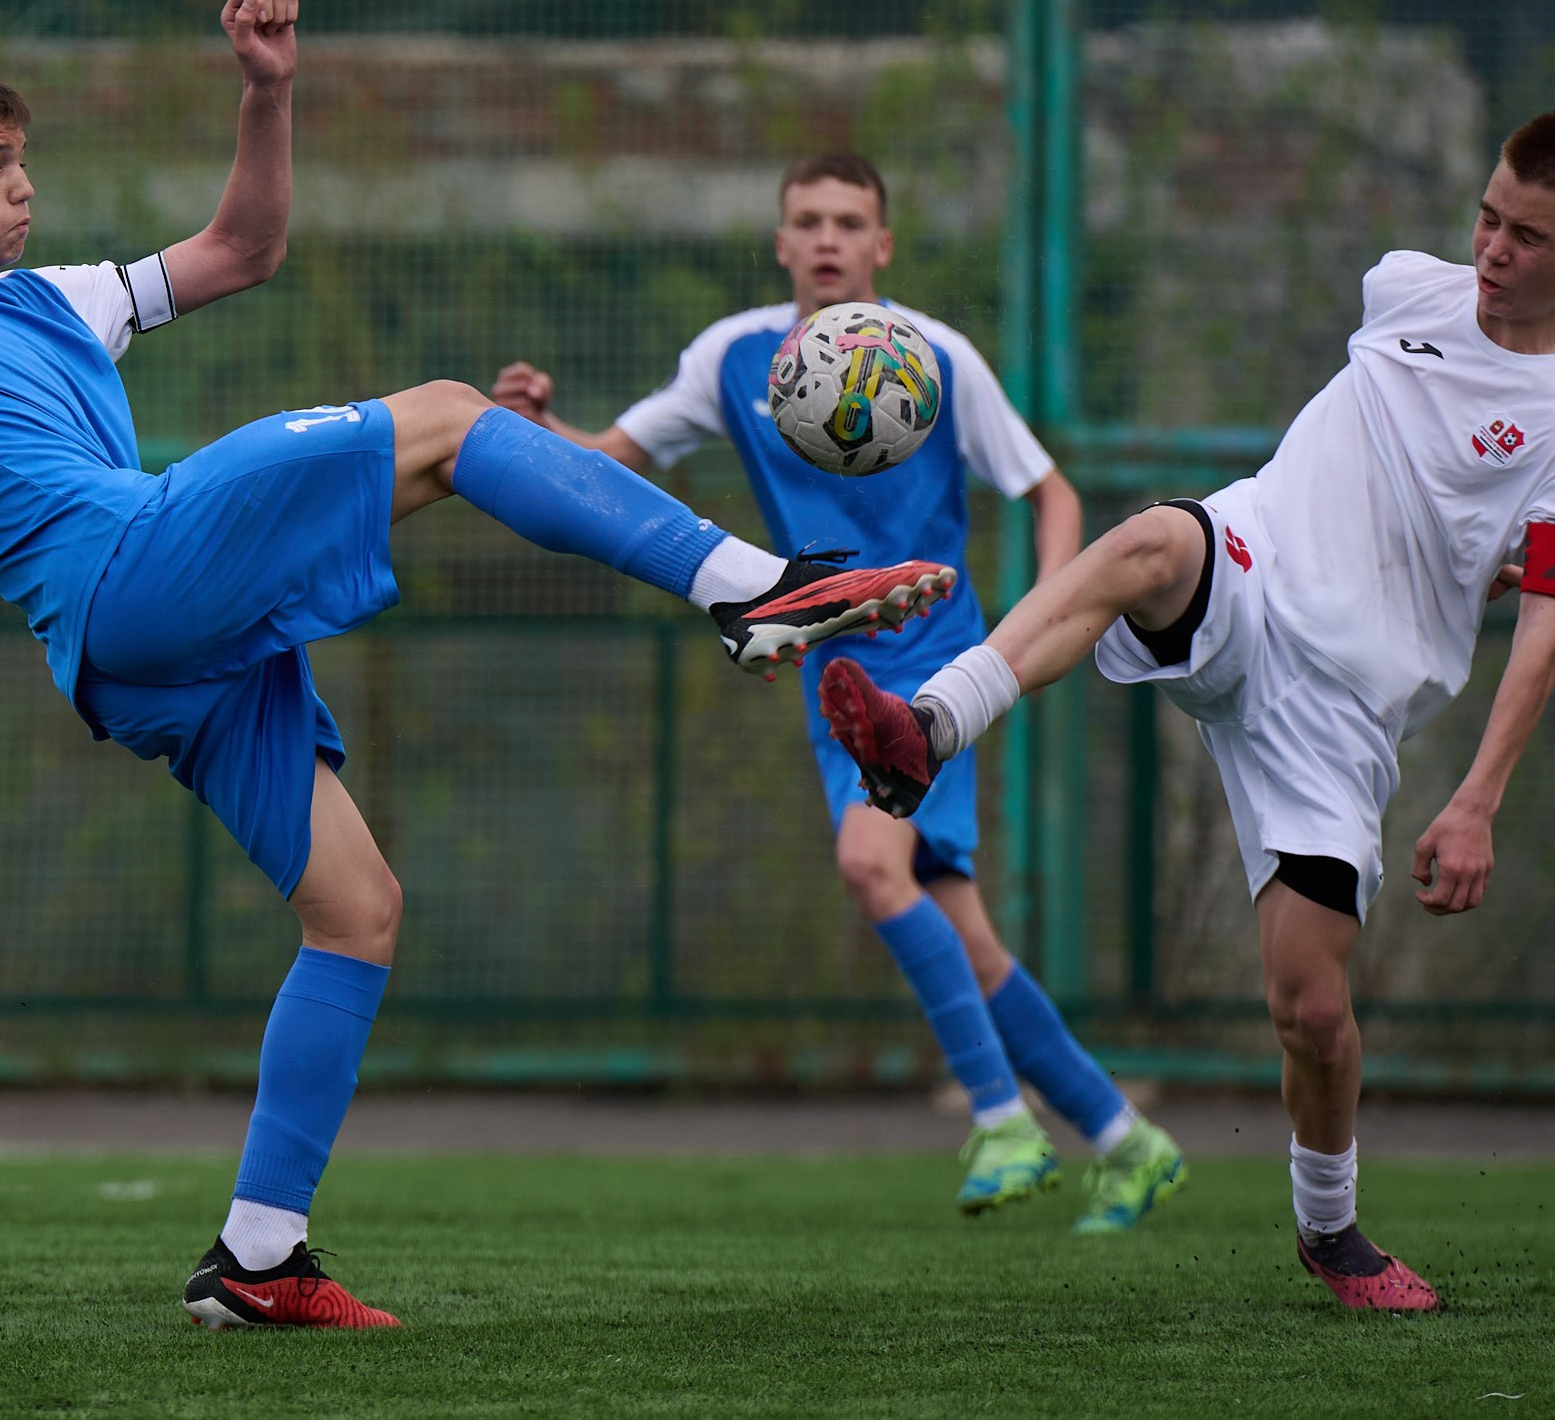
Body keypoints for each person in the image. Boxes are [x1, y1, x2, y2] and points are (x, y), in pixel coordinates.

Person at [0, 0, 956, 1331]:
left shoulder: (63, 296)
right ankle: (764, 589)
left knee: (357, 907)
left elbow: (243, 245)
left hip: (148, 654)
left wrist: (267, 93)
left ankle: (259, 1256)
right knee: (446, 415)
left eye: (26, 166)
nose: (23, 192)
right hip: (127, 575)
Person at [821, 110, 1555, 1310]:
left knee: (1307, 1006)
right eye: (1487, 216)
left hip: (1346, 706)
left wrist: (1475, 800)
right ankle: (926, 728)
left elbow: (1548, 620)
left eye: (1528, 236)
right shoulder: (1403, 288)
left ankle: (1330, 1231)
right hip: (1247, 570)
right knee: (1150, 540)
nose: (1492, 250)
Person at [493, 152, 1185, 1229]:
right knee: (965, 932)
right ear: (780, 243)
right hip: (839, 673)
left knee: (870, 863)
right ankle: (1124, 1140)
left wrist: (1026, 634)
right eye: (807, 219)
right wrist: (541, 428)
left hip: (942, 666)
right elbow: (612, 463)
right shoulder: (731, 358)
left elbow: (1050, 488)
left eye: (848, 220)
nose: (826, 238)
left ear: (882, 246)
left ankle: (1001, 1119)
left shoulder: (935, 358)